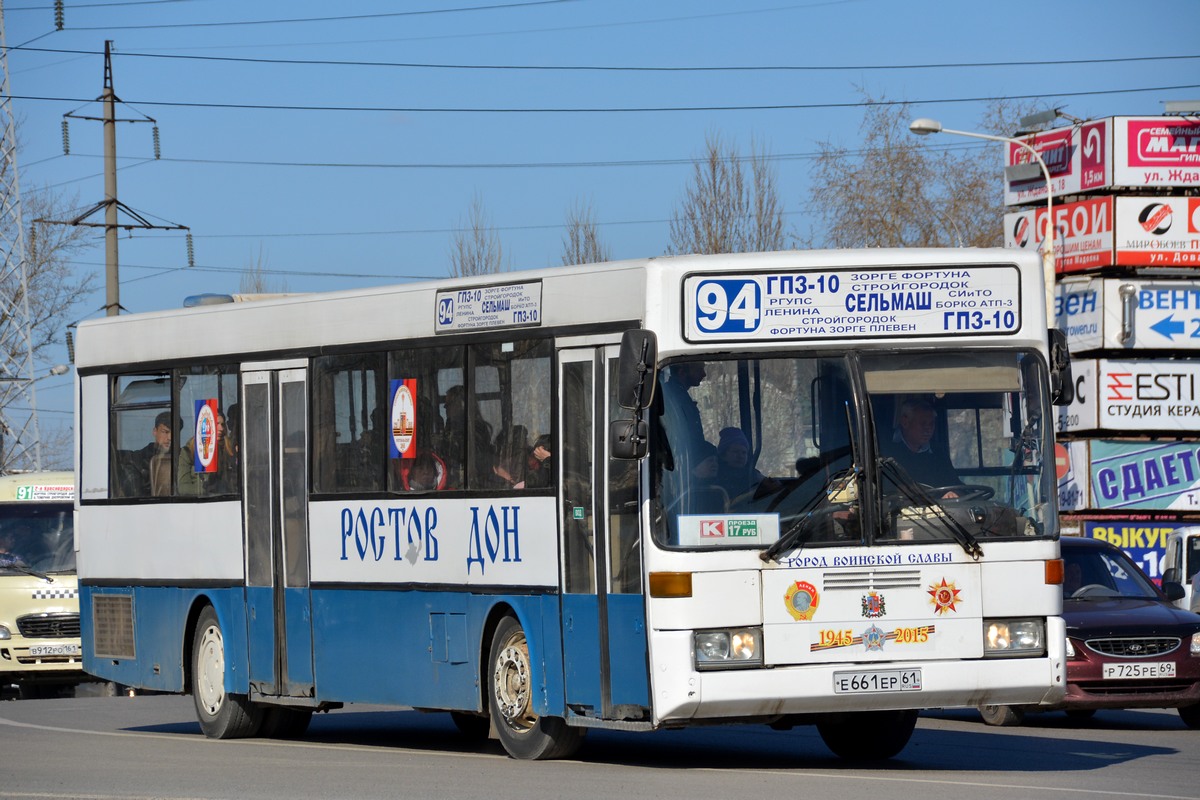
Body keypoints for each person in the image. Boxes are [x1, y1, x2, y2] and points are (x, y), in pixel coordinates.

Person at [883, 397, 962, 490]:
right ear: (905, 422)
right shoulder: (884, 450)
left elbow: (954, 483)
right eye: (923, 423)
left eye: (931, 424)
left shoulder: (938, 453)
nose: (928, 429)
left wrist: (953, 492)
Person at [714, 427, 776, 500]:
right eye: (735, 451)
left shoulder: (752, 473)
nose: (740, 456)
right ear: (723, 454)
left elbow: (774, 488)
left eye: (744, 452)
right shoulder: (714, 472)